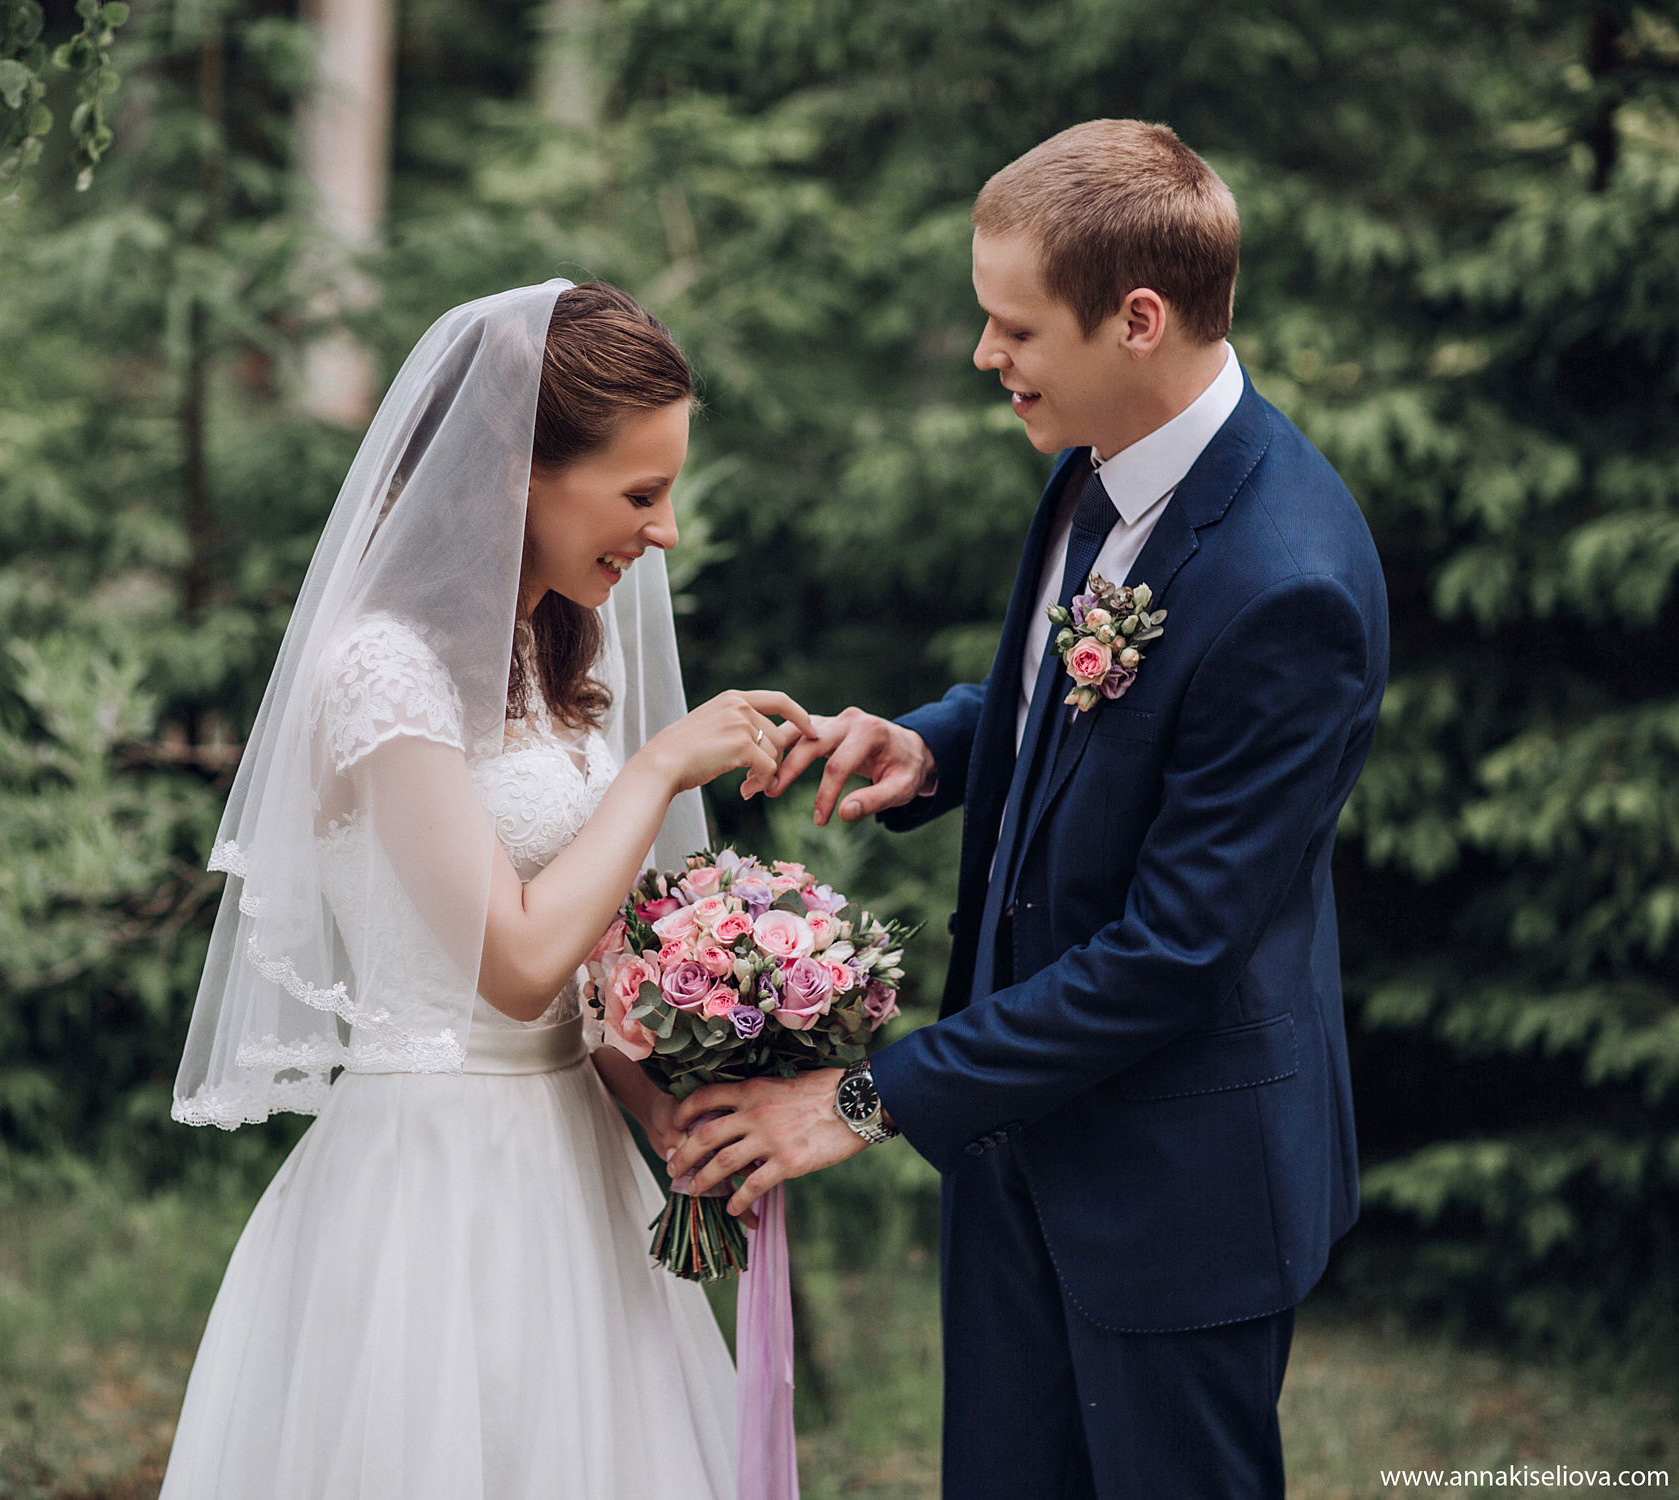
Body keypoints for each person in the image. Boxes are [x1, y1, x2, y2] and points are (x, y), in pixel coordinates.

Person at [666, 120, 1390, 1498]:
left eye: (1010, 328)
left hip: (1177, 1191)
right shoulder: (1092, 460)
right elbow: (1073, 701)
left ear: (1135, 319)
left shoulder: (1289, 584)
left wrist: (865, 1099)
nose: (986, 357)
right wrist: (933, 748)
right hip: (1019, 1159)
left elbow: (1172, 953)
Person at [161, 280, 813, 1500]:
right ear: (520, 473)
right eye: (639, 493)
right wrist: (667, 764)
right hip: (435, 1178)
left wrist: (665, 1105)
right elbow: (511, 967)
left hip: (571, 1154)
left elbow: (574, 969)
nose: (664, 532)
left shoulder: (548, 644)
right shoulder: (381, 670)